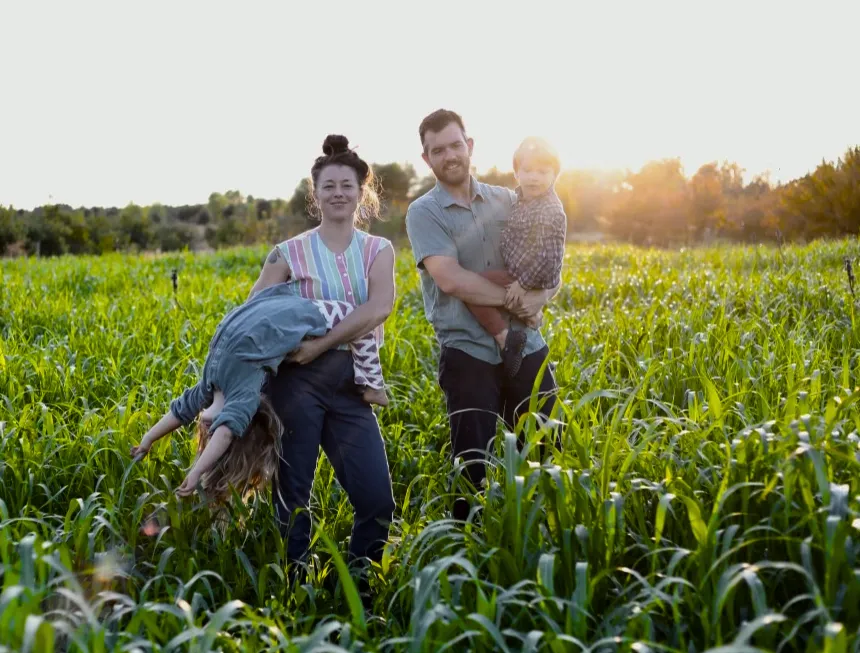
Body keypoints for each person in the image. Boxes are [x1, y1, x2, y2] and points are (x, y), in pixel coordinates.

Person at [248, 134, 396, 571]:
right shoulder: (288, 252)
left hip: (352, 383)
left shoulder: (377, 250)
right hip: (296, 384)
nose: (338, 193)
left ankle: (361, 586)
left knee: (376, 498)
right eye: (328, 186)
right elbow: (254, 316)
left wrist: (323, 345)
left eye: (346, 185)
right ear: (315, 194)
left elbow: (378, 307)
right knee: (293, 496)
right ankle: (295, 590)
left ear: (361, 191)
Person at [404, 109, 561, 521]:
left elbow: (550, 256)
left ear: (469, 146)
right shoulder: (424, 212)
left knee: (546, 451)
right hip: (467, 351)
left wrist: (542, 297)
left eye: (456, 145)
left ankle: (545, 539)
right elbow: (451, 279)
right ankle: (467, 549)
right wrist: (513, 302)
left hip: (527, 344)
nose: (449, 155)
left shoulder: (508, 199)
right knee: (471, 465)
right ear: (427, 159)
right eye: (438, 150)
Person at [128, 282, 388, 506]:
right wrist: (148, 439)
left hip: (296, 313)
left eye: (210, 426)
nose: (206, 425)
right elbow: (180, 411)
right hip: (261, 312)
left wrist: (196, 472)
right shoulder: (210, 384)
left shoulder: (240, 394)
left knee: (358, 322)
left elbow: (223, 432)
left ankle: (374, 385)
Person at [463, 136, 567, 378]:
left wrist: (524, 284)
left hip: (529, 276)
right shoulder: (519, 200)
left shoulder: (550, 209)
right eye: (528, 170)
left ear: (554, 175)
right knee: (476, 285)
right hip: (518, 272)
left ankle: (506, 340)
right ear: (517, 173)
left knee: (474, 286)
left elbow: (548, 258)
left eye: (543, 172)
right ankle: (530, 314)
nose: (534, 177)